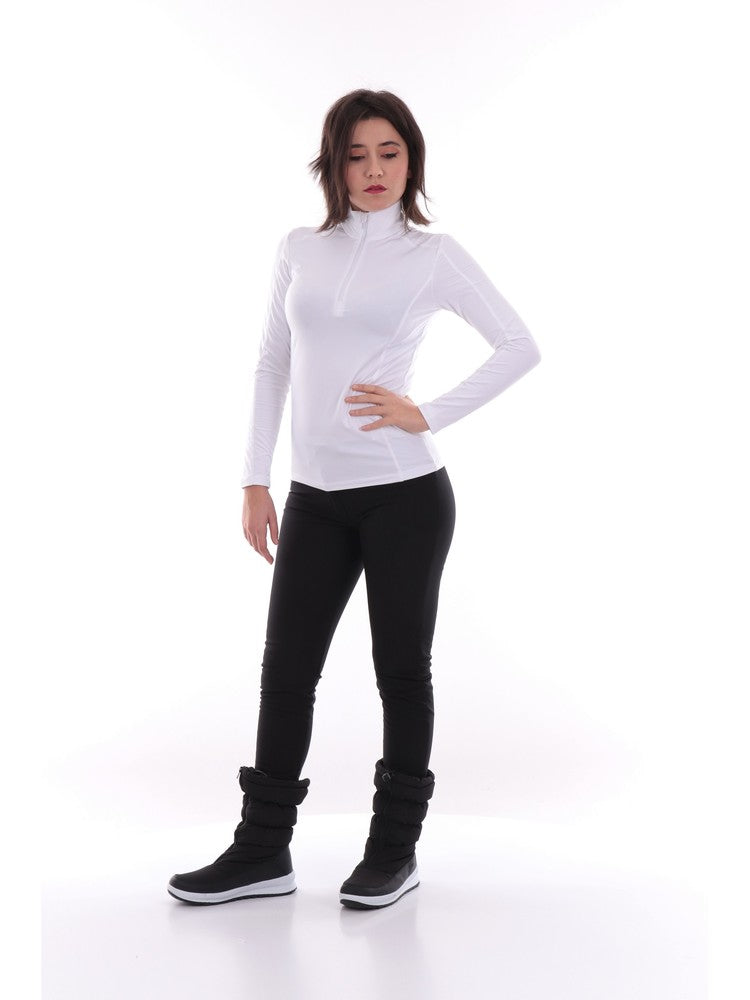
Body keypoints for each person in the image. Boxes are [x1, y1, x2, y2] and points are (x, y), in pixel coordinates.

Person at [168, 88, 542, 911]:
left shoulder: (433, 256)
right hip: (314, 497)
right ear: (333, 165)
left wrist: (427, 413)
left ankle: (393, 852)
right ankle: (261, 851)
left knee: (401, 673)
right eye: (356, 155)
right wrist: (254, 479)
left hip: (404, 495)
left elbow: (520, 345)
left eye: (390, 153)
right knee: (286, 673)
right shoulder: (300, 248)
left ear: (411, 160)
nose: (374, 170)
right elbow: (271, 363)